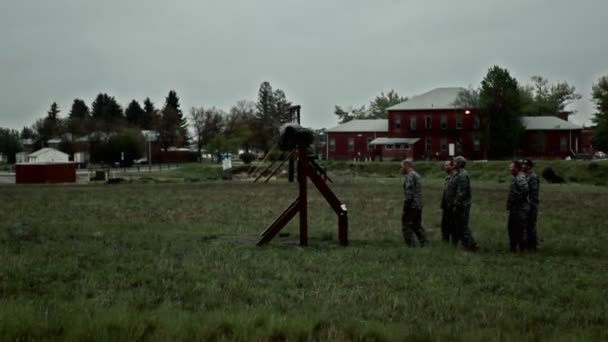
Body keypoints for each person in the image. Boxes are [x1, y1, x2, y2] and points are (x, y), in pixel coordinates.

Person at [451, 156, 478, 251]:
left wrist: (456, 204)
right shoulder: (458, 174)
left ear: (459, 164)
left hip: (462, 205)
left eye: (454, 162)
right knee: (461, 226)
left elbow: (461, 192)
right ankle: (468, 244)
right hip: (459, 204)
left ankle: (470, 246)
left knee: (463, 226)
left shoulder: (463, 175)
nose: (453, 164)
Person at [401, 159, 427, 247]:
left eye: (402, 167)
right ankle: (424, 242)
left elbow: (409, 191)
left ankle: (411, 245)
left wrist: (406, 204)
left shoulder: (410, 176)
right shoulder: (416, 174)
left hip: (411, 205)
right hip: (418, 204)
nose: (401, 169)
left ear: (406, 165)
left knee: (406, 225)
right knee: (417, 225)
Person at [507, 160, 530, 252]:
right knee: (512, 228)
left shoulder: (520, 178)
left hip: (520, 209)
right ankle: (513, 248)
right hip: (515, 208)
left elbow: (525, 189)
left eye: (511, 167)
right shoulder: (516, 178)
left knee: (520, 229)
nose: (510, 169)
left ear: (516, 168)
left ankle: (522, 249)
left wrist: (518, 200)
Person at [521, 158, 539, 251]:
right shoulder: (524, 176)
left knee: (531, 225)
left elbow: (534, 193)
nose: (522, 166)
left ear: (528, 166)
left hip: (531, 205)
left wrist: (530, 205)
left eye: (524, 164)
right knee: (525, 225)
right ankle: (527, 244)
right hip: (525, 205)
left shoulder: (533, 177)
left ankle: (533, 246)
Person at [440, 160, 456, 243]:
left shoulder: (456, 177)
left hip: (453, 205)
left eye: (447, 165)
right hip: (446, 205)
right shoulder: (447, 178)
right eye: (444, 165)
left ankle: (454, 242)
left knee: (453, 225)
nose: (445, 167)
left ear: (452, 166)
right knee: (444, 224)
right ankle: (445, 241)